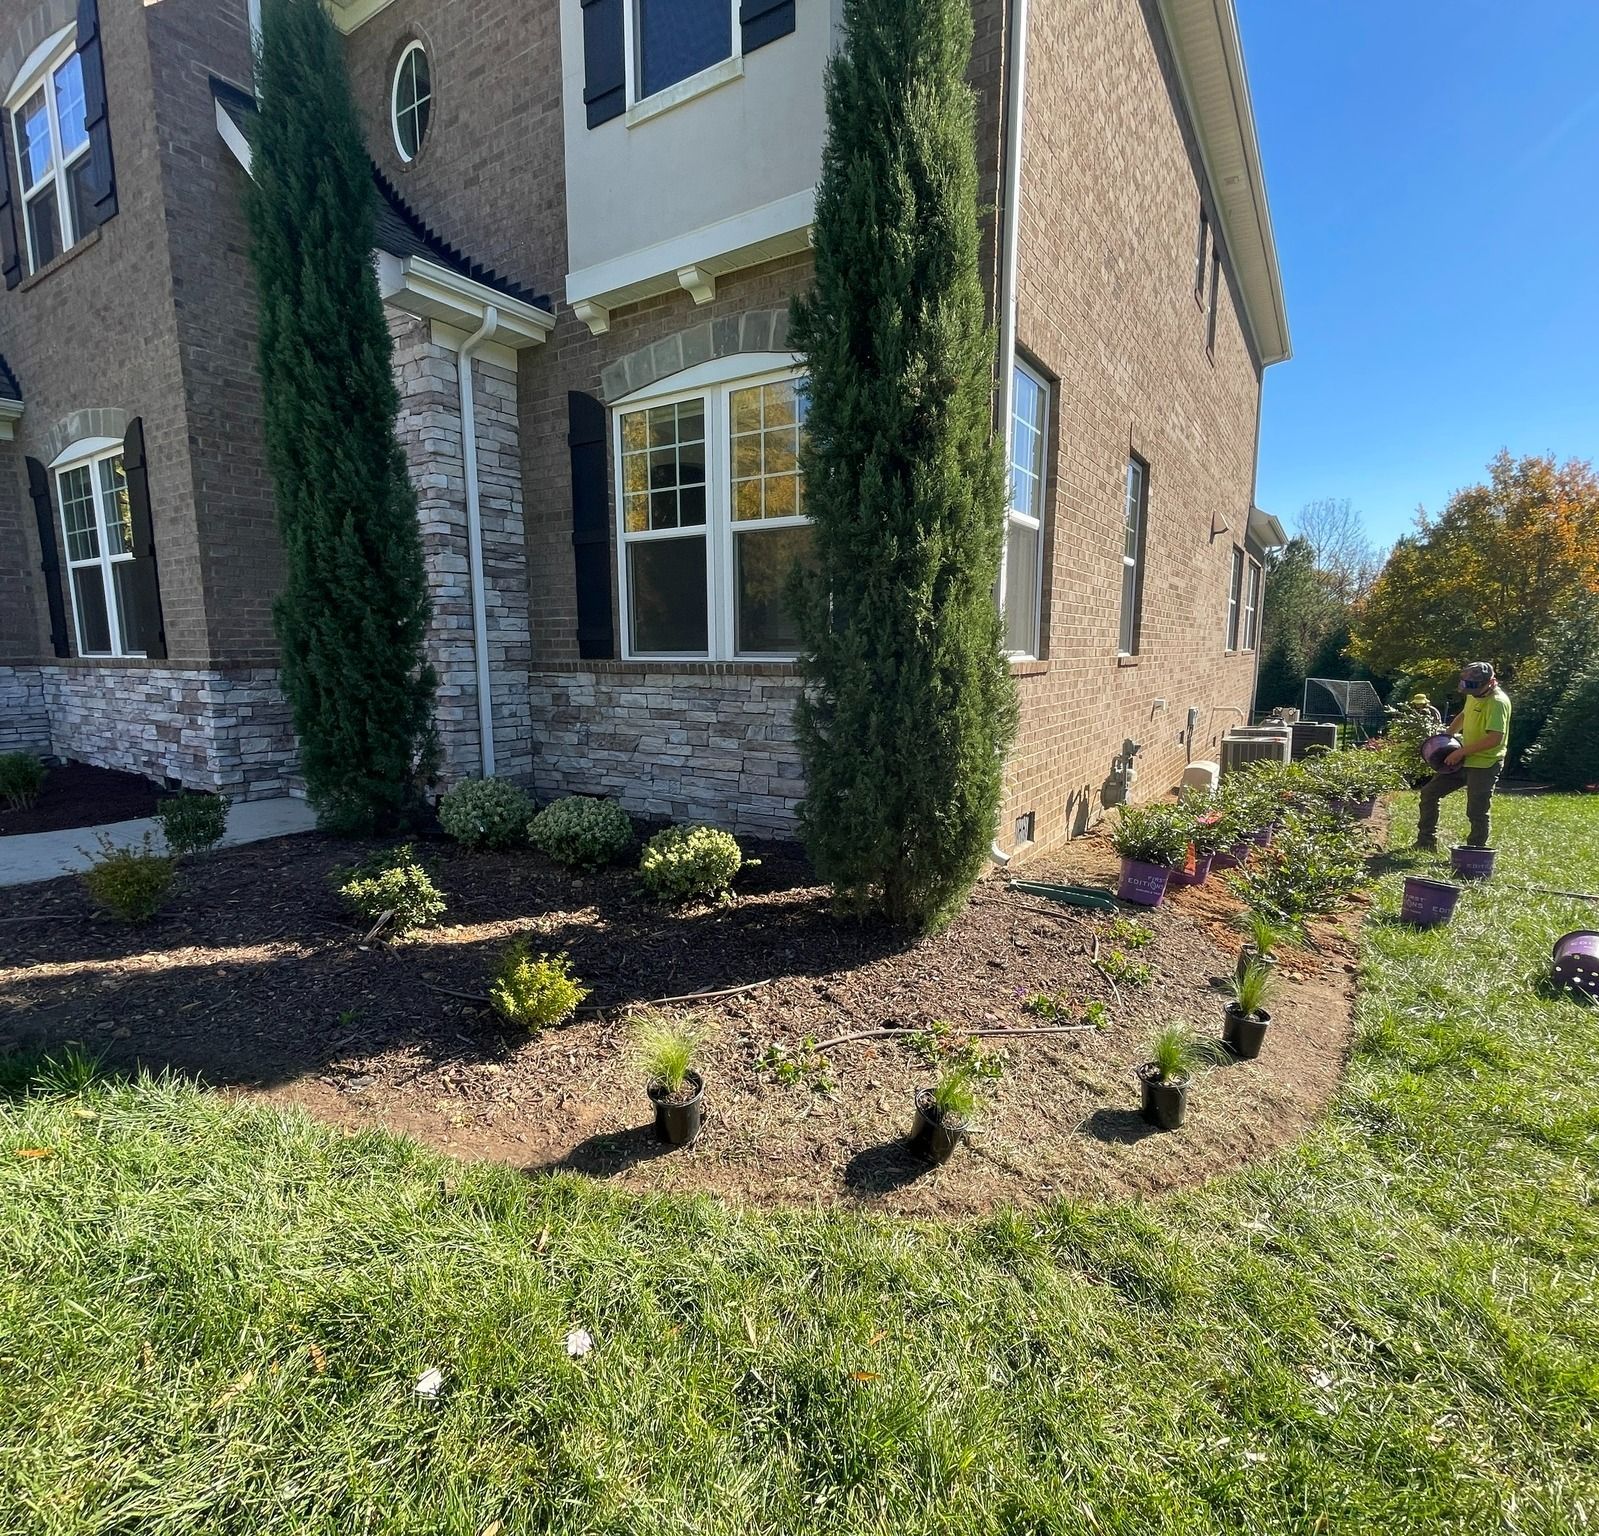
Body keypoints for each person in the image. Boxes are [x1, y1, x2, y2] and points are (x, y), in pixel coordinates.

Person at [1416, 662, 1511, 852]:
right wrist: (1446, 736)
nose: (1469, 689)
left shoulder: (1498, 702)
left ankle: (1474, 852)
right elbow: (1464, 715)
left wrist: (1459, 752)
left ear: (1489, 682)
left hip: (1485, 763)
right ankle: (1426, 842)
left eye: (1473, 686)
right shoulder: (1474, 695)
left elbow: (1494, 739)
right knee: (1429, 793)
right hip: (1463, 758)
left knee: (1476, 811)